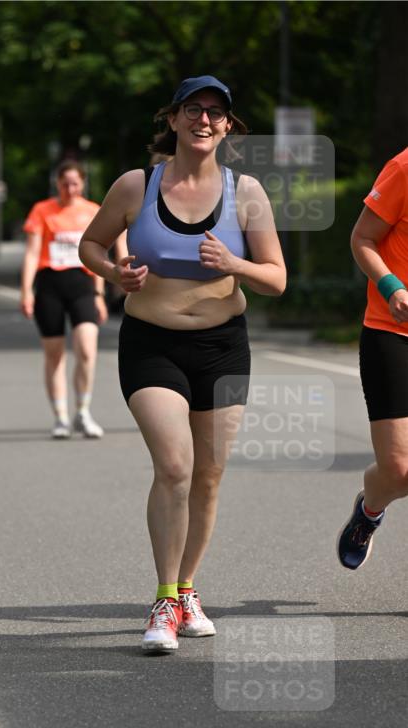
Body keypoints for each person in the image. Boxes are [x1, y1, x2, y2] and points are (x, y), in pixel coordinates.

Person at [79, 75, 286, 653]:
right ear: (172, 120)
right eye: (193, 110)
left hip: (223, 347)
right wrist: (115, 273)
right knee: (175, 467)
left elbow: (276, 277)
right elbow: (90, 246)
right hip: (152, 342)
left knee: (210, 475)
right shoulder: (135, 185)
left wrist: (234, 264)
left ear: (227, 127)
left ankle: (189, 586)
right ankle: (165, 599)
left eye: (215, 113)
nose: (204, 120)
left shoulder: (245, 193)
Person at [337, 147, 408, 569]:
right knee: (399, 470)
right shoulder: (403, 167)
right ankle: (369, 510)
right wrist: (391, 286)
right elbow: (362, 238)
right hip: (392, 331)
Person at [21, 160, 114, 439]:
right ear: (57, 184)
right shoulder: (42, 210)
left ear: (82, 183)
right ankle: (60, 416)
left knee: (87, 350)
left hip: (83, 284)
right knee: (55, 354)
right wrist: (27, 290)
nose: (69, 189)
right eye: (64, 183)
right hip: (50, 284)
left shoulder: (92, 211)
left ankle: (83, 411)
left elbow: (99, 255)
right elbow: (31, 253)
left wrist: (99, 294)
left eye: (75, 183)